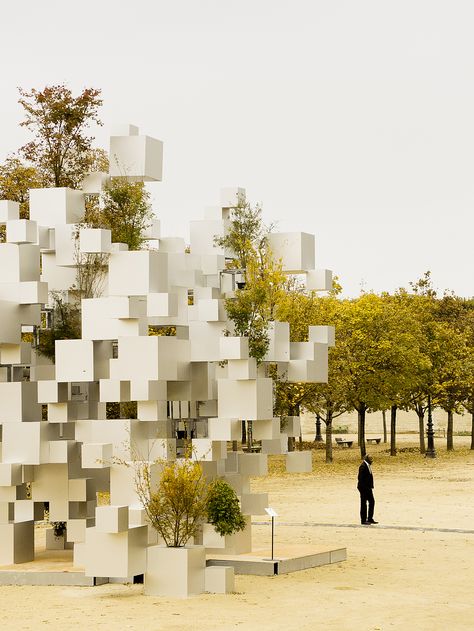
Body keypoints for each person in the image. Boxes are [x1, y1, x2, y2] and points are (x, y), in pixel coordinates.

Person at [357, 454, 378, 525]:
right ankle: (363, 520)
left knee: (372, 502)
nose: (372, 462)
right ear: (367, 460)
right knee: (364, 504)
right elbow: (361, 479)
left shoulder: (367, 465)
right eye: (371, 460)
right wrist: (365, 488)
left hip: (368, 488)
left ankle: (370, 518)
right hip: (364, 488)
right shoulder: (363, 466)